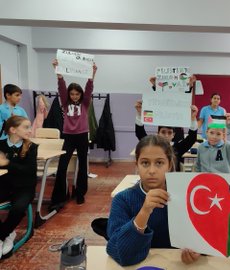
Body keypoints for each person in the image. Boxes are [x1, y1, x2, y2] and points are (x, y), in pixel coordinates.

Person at [106, 135, 200, 266]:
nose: (151, 170)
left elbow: (205, 239)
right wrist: (144, 212)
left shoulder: (186, 198)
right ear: (137, 165)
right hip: (141, 266)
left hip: (179, 265)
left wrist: (198, 252)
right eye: (145, 163)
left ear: (169, 165)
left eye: (159, 163)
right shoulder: (122, 200)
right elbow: (119, 252)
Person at [49, 59, 97, 210]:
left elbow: (89, 88)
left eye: (77, 94)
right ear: (69, 95)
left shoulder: (85, 103)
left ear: (81, 95)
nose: (75, 96)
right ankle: (60, 196)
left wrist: (92, 74)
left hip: (82, 135)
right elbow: (61, 87)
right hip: (68, 136)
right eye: (72, 94)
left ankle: (80, 193)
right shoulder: (64, 102)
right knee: (62, 167)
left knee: (83, 166)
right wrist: (58, 73)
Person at [0, 115, 38, 259]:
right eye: (26, 127)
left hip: (24, 187)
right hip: (4, 185)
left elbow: (29, 170)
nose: (30, 130)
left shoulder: (31, 147)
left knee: (18, 208)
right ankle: (8, 232)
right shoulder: (0, 145)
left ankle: (1, 236)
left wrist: (7, 163)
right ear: (13, 130)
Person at [134, 100, 198, 171]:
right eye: (163, 132)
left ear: (173, 135)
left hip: (173, 180)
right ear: (158, 133)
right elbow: (140, 133)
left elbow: (192, 138)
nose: (166, 135)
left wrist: (193, 119)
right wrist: (140, 114)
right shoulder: (152, 145)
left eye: (169, 133)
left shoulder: (177, 148)